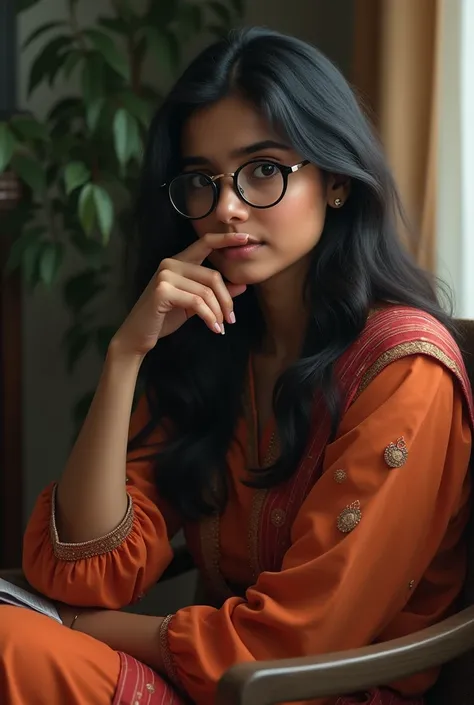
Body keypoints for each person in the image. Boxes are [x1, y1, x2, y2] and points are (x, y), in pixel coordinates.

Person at [0, 26, 472, 705]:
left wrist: (84, 626)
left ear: (336, 180)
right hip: (210, 681)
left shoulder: (405, 371)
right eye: (202, 180)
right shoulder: (219, 345)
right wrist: (125, 355)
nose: (226, 206)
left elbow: (297, 643)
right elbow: (87, 569)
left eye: (263, 170)